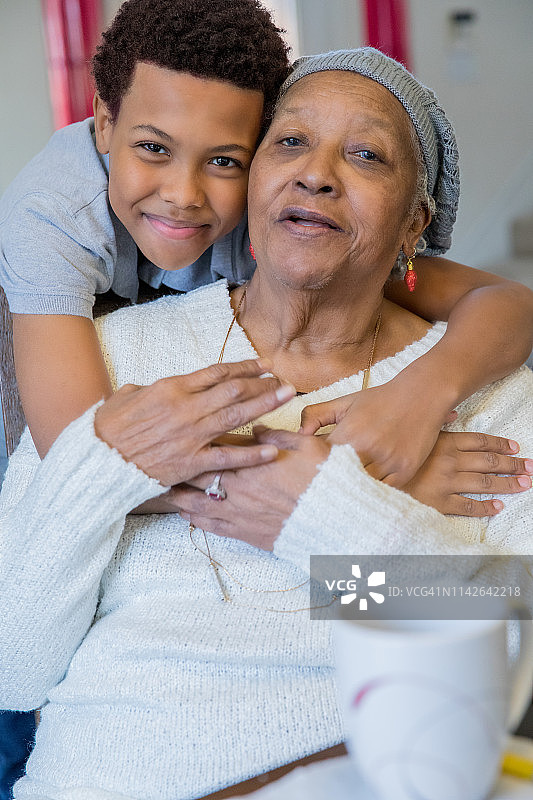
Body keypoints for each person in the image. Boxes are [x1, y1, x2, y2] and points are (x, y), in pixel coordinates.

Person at [1, 47, 533, 800]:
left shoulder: (490, 400)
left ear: (414, 223)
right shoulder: (117, 355)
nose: (316, 174)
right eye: (290, 142)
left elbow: (507, 639)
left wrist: (323, 520)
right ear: (252, 181)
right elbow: (15, 665)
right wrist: (106, 469)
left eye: (366, 155)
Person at [0, 0, 531, 486]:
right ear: (104, 123)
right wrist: (351, 478)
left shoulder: (267, 219)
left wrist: (418, 397)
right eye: (153, 148)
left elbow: (507, 301)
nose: (184, 196)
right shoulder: (51, 216)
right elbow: (80, 455)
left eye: (225, 160)